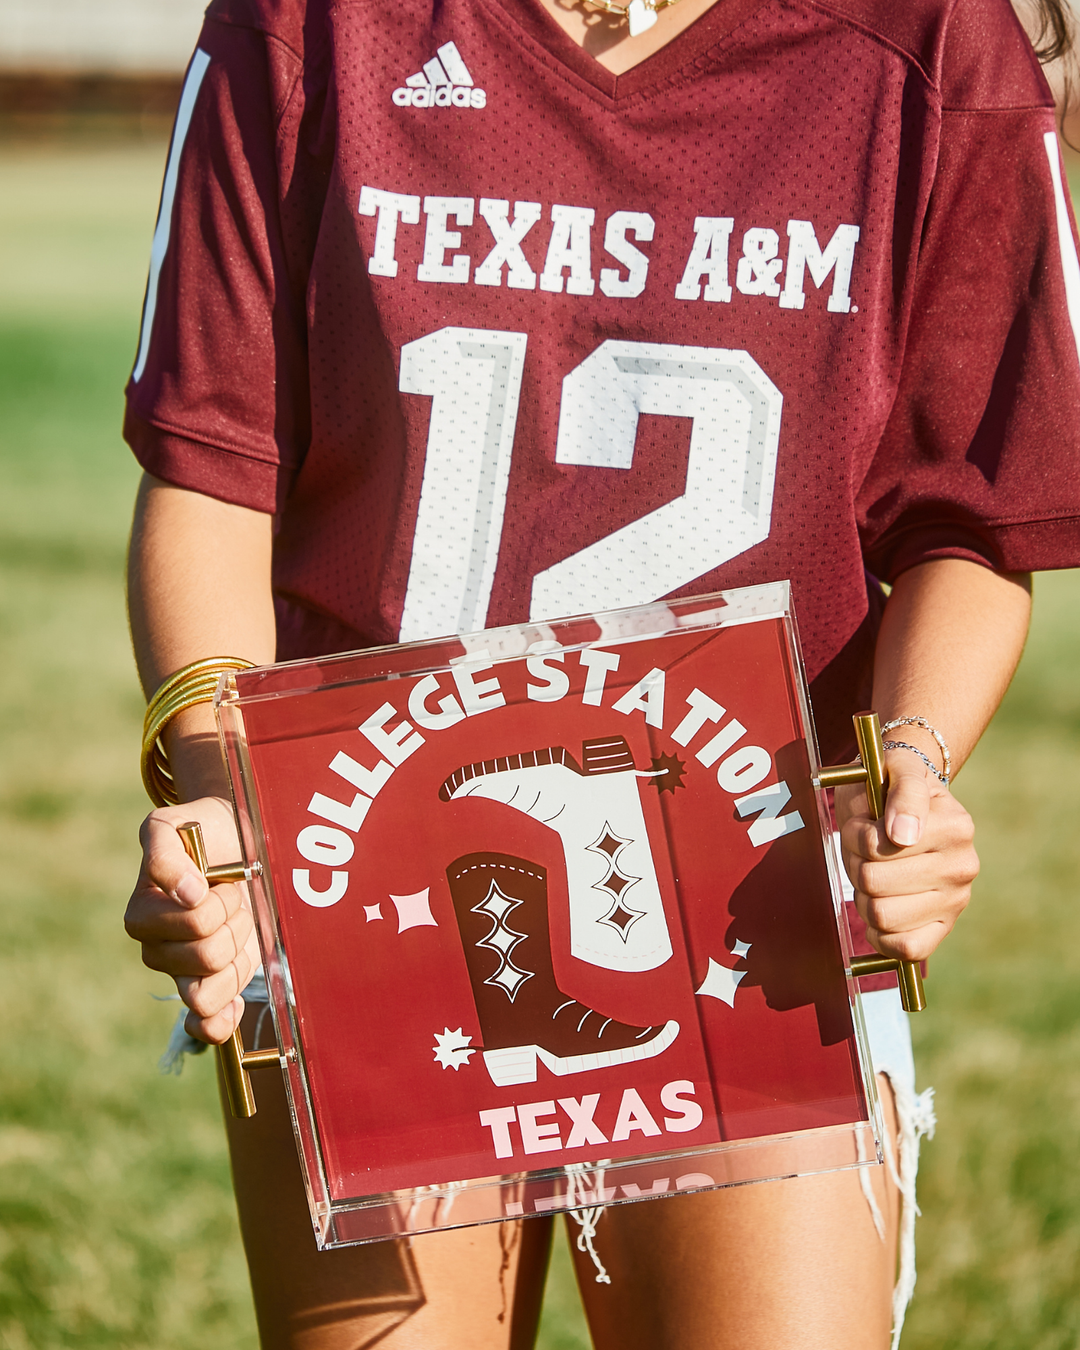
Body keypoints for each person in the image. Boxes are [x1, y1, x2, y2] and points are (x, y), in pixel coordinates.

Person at [121, 0, 1080, 1343]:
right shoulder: (314, 19)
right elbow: (215, 467)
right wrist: (235, 803)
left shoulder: (932, 41)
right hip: (359, 865)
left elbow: (966, 516)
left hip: (745, 873)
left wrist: (904, 768)